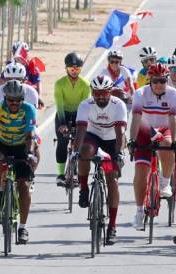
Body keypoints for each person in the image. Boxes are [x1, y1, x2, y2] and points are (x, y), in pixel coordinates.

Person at [74, 76, 128, 245]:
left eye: (104, 93)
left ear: (110, 92)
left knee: (112, 179)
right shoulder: (85, 105)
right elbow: (81, 130)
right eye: (96, 93)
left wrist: (118, 154)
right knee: (85, 151)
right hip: (93, 136)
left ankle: (112, 226)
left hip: (113, 140)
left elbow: (120, 133)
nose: (100, 97)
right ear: (92, 92)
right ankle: (83, 187)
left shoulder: (118, 105)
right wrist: (76, 151)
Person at [0, 81, 38, 244]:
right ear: (5, 98)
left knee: (24, 186)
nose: (14, 103)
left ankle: (22, 227)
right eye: (10, 100)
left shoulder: (29, 109)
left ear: (22, 99)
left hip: (22, 144)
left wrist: (29, 154)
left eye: (17, 100)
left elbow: (30, 135)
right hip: (2, 143)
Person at [128, 63, 176, 228]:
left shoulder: (174, 95)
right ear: (149, 81)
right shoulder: (141, 93)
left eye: (162, 81)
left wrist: (175, 142)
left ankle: (165, 182)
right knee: (141, 173)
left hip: (164, 129)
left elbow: (174, 120)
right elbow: (136, 118)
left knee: (168, 144)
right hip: (144, 131)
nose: (159, 85)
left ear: (167, 81)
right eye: (155, 81)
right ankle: (138, 212)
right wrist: (131, 140)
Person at [54, 52, 90, 187]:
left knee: (79, 142)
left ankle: (76, 171)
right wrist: (62, 124)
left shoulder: (85, 84)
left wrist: (80, 125)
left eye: (77, 69)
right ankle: (60, 174)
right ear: (66, 69)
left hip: (78, 114)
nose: (74, 72)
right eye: (71, 69)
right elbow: (59, 105)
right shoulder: (59, 83)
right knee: (62, 141)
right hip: (63, 113)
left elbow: (84, 106)